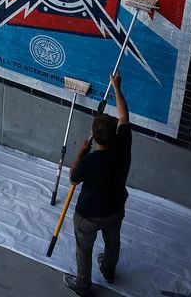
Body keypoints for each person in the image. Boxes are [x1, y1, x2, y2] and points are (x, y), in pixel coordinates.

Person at [64, 72, 132, 296]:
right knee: (113, 243)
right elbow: (124, 115)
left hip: (89, 216)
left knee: (84, 249)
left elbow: (73, 178)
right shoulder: (123, 144)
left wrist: (80, 154)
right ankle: (109, 270)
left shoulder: (90, 161)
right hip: (115, 209)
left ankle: (83, 284)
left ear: (95, 138)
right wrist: (116, 87)